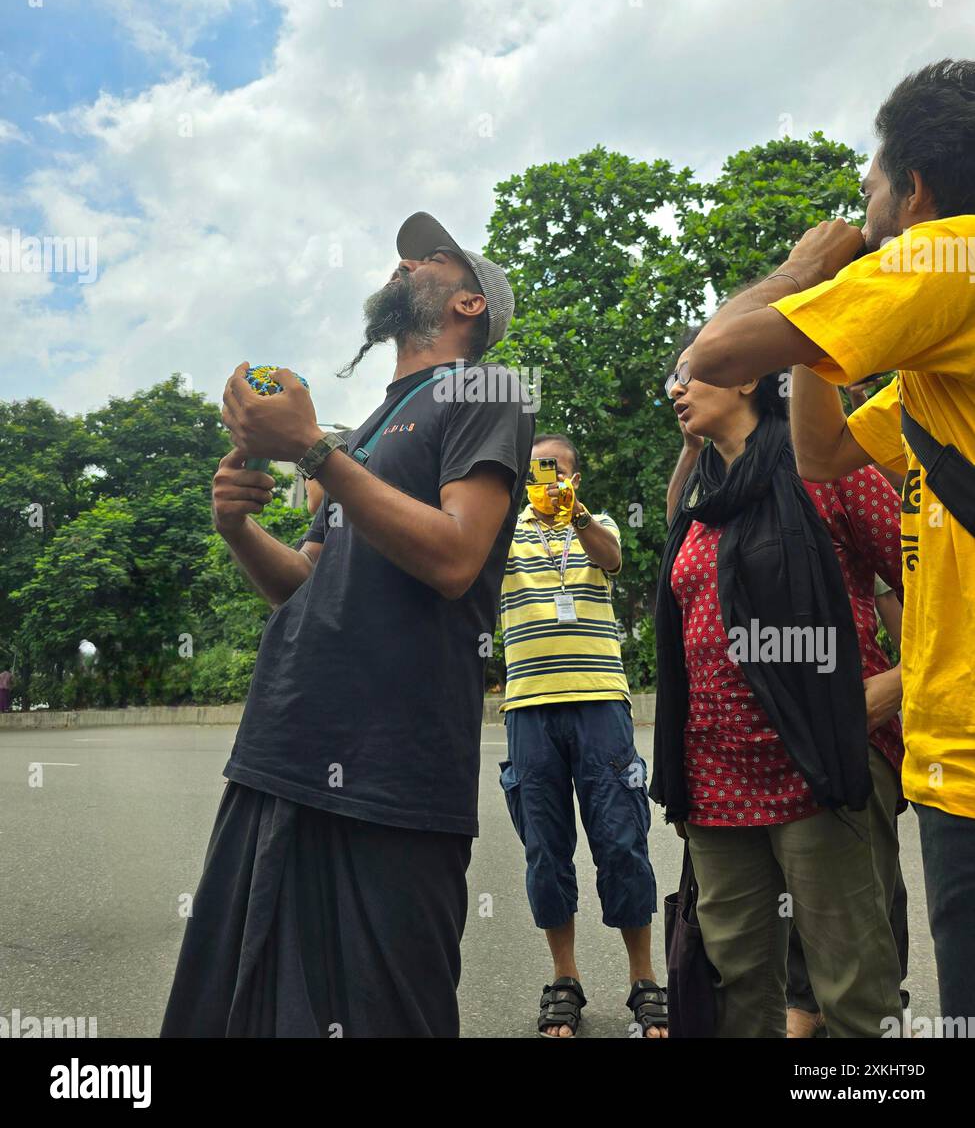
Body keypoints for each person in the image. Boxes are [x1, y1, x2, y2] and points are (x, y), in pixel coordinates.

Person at [161, 211, 535, 1039]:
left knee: (383, 1014)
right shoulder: (364, 429)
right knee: (246, 1012)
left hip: (390, 772)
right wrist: (236, 528)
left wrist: (313, 453)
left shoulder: (485, 392)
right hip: (283, 748)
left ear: (469, 304)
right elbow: (305, 584)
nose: (403, 266)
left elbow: (455, 557)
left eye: (427, 259)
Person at [689, 60, 975, 1024]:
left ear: (917, 193)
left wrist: (805, 274)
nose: (867, 214)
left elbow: (714, 353)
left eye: (870, 192)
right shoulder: (939, 373)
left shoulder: (950, 256)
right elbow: (822, 451)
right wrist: (825, 335)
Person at [653, 331, 905, 1038]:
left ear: (742, 377)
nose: (673, 389)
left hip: (819, 765)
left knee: (850, 985)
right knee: (733, 985)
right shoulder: (703, 500)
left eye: (688, 372)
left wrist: (896, 685)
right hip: (715, 781)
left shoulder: (823, 465)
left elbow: (947, 587)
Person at [498, 434, 664, 1038]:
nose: (550, 480)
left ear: (576, 474)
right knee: (545, 848)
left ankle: (643, 981)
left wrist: (578, 511)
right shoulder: (506, 530)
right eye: (540, 472)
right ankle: (564, 979)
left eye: (560, 470)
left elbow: (613, 558)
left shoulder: (595, 525)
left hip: (600, 703)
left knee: (622, 840)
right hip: (529, 707)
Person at [786, 572, 909, 1037]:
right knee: (797, 872)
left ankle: (887, 1005)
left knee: (876, 878)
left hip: (859, 723)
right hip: (783, 723)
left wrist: (893, 685)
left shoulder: (851, 509)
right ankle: (803, 1000)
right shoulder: (738, 511)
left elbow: (911, 638)